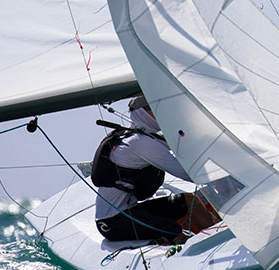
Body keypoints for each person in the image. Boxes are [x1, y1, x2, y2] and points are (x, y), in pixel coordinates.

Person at [93, 96, 218, 243]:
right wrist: (224, 174)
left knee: (189, 200)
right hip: (112, 222)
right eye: (156, 109)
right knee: (172, 229)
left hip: (131, 210)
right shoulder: (140, 142)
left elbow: (177, 145)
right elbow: (187, 173)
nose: (163, 114)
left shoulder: (140, 136)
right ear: (143, 113)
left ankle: (219, 236)